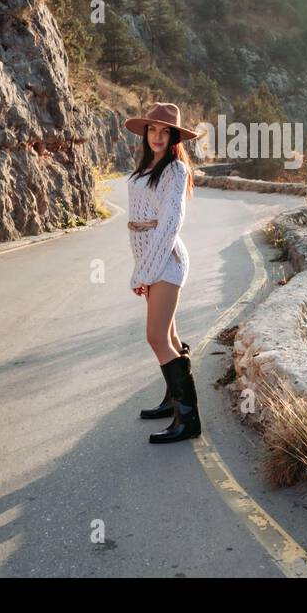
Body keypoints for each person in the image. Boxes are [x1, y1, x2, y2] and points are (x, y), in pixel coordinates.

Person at [124, 102, 200, 443]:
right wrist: (141, 269)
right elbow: (140, 226)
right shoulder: (146, 166)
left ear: (173, 136)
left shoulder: (175, 171)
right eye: (152, 129)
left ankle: (189, 419)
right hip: (151, 263)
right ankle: (173, 400)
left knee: (155, 337)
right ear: (146, 133)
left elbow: (168, 225)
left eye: (164, 131)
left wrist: (145, 273)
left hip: (167, 262)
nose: (157, 136)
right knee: (168, 337)